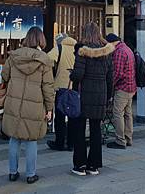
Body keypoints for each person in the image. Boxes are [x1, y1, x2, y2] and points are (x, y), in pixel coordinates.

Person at [2, 26, 54, 185]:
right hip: (35, 105)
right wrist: (50, 107)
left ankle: (12, 172)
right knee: (31, 140)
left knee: (14, 138)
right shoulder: (44, 60)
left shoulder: (14, 56)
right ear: (41, 40)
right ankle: (31, 174)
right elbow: (48, 87)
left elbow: (4, 76)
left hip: (14, 102)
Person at [70, 22, 114, 176]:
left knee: (79, 129)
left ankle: (80, 165)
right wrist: (109, 96)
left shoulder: (83, 51)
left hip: (84, 95)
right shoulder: (107, 52)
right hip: (101, 93)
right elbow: (110, 78)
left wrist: (71, 75)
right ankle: (93, 165)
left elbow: (78, 75)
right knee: (96, 130)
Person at [105, 33, 136, 149]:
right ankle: (128, 138)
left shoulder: (119, 52)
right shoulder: (127, 49)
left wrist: (110, 86)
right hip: (131, 87)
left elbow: (117, 74)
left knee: (117, 113)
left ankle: (120, 140)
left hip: (122, 88)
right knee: (128, 114)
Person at [47, 33, 76, 151]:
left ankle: (59, 143)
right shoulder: (76, 47)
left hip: (61, 87)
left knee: (60, 116)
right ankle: (71, 144)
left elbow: (48, 58)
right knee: (73, 115)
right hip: (74, 87)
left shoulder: (59, 48)